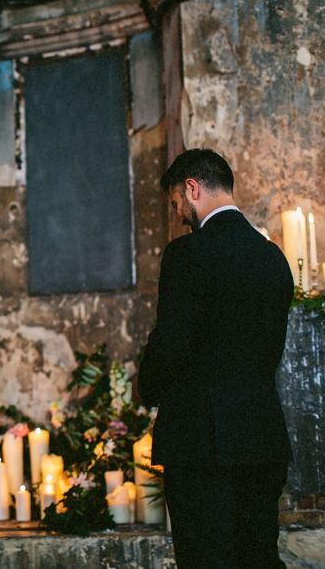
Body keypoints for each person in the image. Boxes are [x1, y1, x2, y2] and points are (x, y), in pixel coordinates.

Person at [138, 149, 293, 568]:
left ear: (192, 188)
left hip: (202, 443)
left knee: (205, 558)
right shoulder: (273, 258)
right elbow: (271, 349)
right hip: (261, 437)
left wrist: (145, 388)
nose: (179, 215)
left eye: (176, 205)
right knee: (259, 557)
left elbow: (171, 344)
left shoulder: (187, 255)